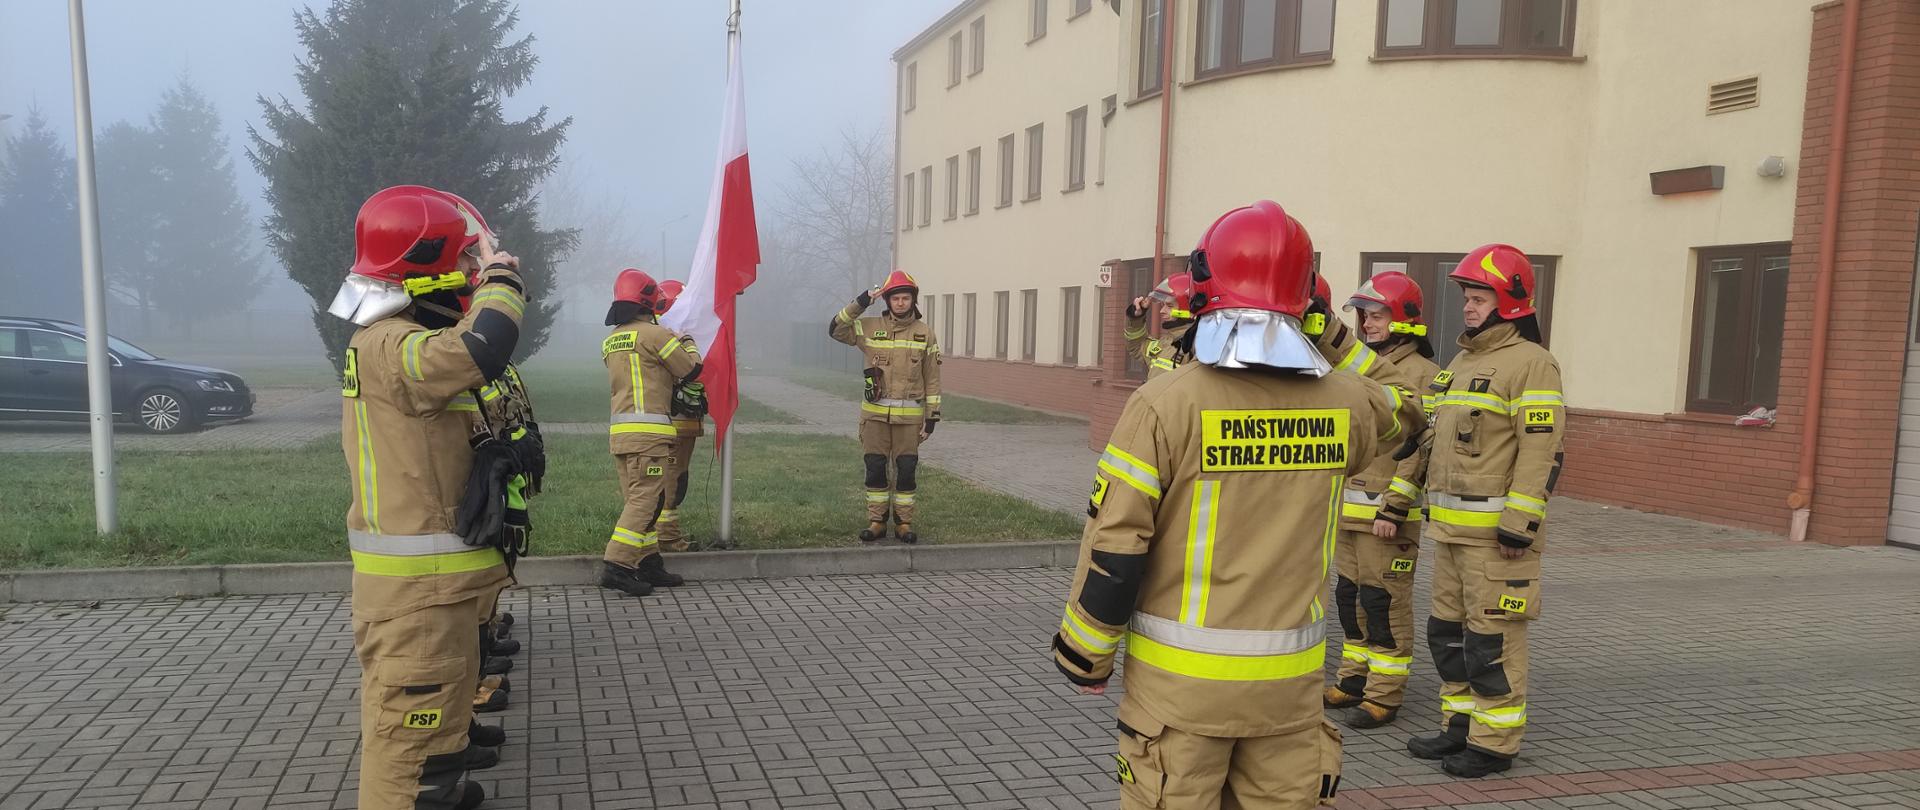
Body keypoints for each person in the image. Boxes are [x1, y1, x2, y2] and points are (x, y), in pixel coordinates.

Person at [1051, 200, 1425, 808]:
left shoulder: (1163, 404)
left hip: (1181, 698)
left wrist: (1086, 654)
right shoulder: (1346, 404)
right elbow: (1410, 407)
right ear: (1306, 302)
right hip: (1289, 697)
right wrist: (1331, 335)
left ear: (1204, 292)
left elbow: (1117, 544)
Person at [328, 184, 536, 810]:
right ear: (426, 270)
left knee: (434, 729)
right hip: (417, 598)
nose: (471, 275)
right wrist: (501, 279)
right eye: (465, 264)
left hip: (432, 592)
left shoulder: (393, 342)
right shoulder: (393, 346)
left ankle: (442, 788)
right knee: (405, 755)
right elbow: (482, 347)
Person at [1405, 244, 1565, 778]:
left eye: (1480, 297)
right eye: (1469, 297)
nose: (1469, 307)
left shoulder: (1533, 364)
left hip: (1497, 540)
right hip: (1450, 533)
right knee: (1447, 634)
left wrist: (1519, 527)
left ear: (1512, 302)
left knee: (1491, 641)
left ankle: (1495, 743)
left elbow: (1542, 450)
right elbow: (1433, 441)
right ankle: (1460, 727)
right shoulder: (1462, 361)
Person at [1318, 271, 1442, 730]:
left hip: (1386, 518)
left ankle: (1384, 695)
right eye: (1362, 316)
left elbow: (1420, 446)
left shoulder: (1422, 376)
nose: (1366, 324)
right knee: (1350, 599)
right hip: (1349, 511)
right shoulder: (1360, 366)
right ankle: (1353, 680)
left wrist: (1394, 507)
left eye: (1376, 315)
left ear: (1405, 318)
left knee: (1384, 602)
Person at [599, 268, 702, 597]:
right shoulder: (657, 336)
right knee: (646, 501)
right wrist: (686, 340)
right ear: (648, 300)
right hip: (649, 436)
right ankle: (617, 564)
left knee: (642, 499)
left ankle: (649, 563)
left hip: (622, 435)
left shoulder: (611, 339)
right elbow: (690, 370)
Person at [828, 270, 942, 543]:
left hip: (909, 421)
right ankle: (877, 521)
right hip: (875, 418)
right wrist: (862, 301)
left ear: (912, 300)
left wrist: (932, 418)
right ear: (888, 300)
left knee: (906, 471)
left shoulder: (925, 334)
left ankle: (904, 523)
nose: (901, 303)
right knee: (875, 468)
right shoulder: (868, 326)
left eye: (905, 298)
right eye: (896, 298)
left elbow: (933, 379)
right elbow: (836, 329)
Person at [651, 279, 708, 552]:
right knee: (672, 478)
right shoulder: (671, 337)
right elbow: (691, 369)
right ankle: (668, 536)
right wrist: (689, 341)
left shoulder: (658, 333)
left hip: (679, 421)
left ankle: (665, 532)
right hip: (675, 422)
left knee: (674, 476)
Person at [1125, 272, 1196, 378]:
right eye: (1163, 305)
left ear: (1188, 310)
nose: (1161, 311)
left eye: (1170, 306)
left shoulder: (1198, 346)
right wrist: (1136, 318)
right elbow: (1137, 346)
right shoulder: (1166, 342)